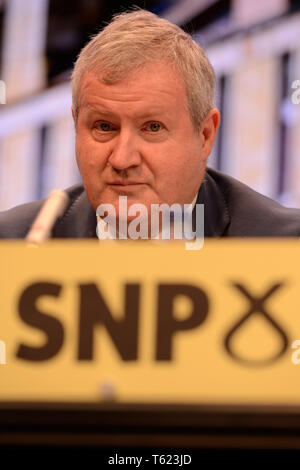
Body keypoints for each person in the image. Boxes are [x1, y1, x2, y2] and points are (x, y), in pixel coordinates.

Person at [0, 8, 300, 239]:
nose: (122, 159)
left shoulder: (282, 249)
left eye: (152, 127)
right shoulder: (13, 246)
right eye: (104, 127)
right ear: (77, 125)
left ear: (205, 135)